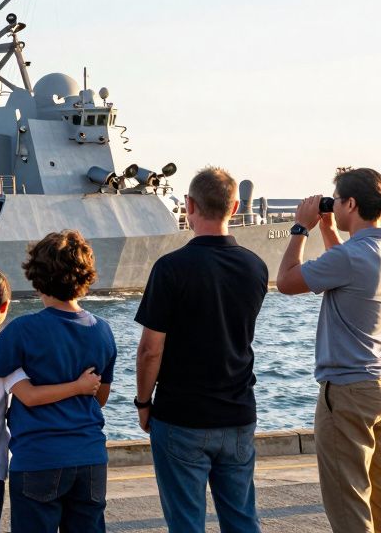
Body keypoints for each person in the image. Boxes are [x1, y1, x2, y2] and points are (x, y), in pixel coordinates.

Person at [0, 230, 116, 532]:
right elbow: (98, 398)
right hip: (90, 457)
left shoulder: (23, 330)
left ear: (37, 278)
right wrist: (76, 386)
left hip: (39, 459)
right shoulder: (103, 331)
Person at [276, 168, 381, 533]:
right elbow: (347, 267)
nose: (332, 205)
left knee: (348, 500)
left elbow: (286, 282)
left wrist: (301, 229)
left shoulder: (351, 257)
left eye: (336, 201)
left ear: (350, 203)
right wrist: (329, 229)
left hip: (348, 392)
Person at [134, 167, 267, 533]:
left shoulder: (170, 269)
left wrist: (144, 403)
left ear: (189, 206)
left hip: (181, 416)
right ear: (235, 205)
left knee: (186, 523)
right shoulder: (256, 267)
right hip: (238, 413)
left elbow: (149, 351)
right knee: (242, 519)